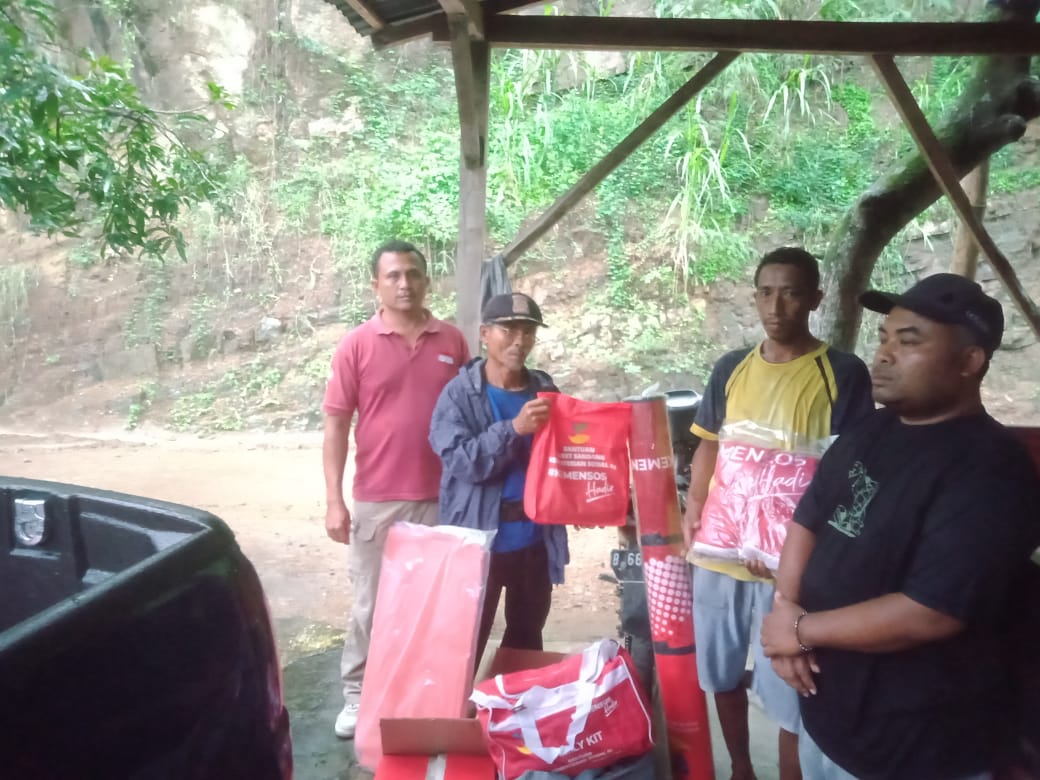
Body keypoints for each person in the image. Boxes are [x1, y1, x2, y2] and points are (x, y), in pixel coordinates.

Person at [761, 273, 1040, 780]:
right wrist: (785, 607)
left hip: (914, 746)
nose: (884, 354)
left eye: (909, 342)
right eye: (884, 337)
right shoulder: (871, 429)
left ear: (969, 361)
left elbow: (931, 612)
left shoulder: (990, 469)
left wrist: (797, 631)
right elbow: (808, 516)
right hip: (829, 714)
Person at [681, 247, 874, 780]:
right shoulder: (731, 368)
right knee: (719, 673)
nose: (776, 306)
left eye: (791, 293)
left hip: (789, 566)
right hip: (721, 557)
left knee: (790, 688)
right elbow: (708, 444)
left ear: (815, 299)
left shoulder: (841, 372)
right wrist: (695, 507)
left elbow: (848, 467)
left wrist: (807, 552)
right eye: (766, 293)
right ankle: (741, 768)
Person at [322, 239, 470, 739]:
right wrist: (334, 501)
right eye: (393, 276)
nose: (404, 284)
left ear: (427, 281)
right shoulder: (356, 345)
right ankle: (356, 695)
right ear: (376, 285)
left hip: (444, 498)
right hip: (377, 499)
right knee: (371, 603)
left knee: (436, 603)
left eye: (413, 274)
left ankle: (427, 692)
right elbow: (336, 425)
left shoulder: (452, 342)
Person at [429, 292, 569, 667]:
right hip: (479, 541)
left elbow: (566, 458)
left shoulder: (545, 392)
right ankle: (459, 706)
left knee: (526, 639)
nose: (519, 341)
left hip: (534, 542)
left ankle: (513, 703)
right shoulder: (459, 395)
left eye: (528, 332)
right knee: (465, 643)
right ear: (484, 334)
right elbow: (463, 463)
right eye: (508, 330)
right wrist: (513, 429)